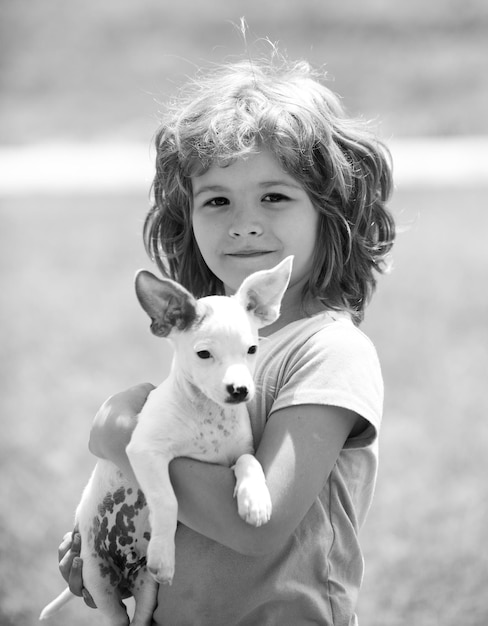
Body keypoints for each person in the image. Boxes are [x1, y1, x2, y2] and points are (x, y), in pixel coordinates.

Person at [59, 51, 395, 625]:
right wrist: (112, 534)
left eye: (274, 196)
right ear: (186, 217)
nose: (243, 223)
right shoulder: (212, 340)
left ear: (330, 212)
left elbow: (252, 526)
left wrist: (122, 434)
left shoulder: (329, 353)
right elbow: (184, 486)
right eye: (217, 200)